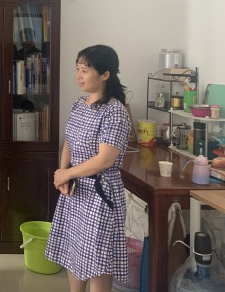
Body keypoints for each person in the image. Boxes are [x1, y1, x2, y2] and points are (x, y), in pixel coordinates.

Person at [45, 45, 131, 292]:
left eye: (85, 70)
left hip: (100, 194)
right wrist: (63, 174)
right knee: (74, 251)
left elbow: (104, 160)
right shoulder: (79, 104)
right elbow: (69, 142)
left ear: (105, 75)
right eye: (77, 69)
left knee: (97, 262)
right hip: (75, 191)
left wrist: (67, 173)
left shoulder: (114, 111)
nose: (78, 75)